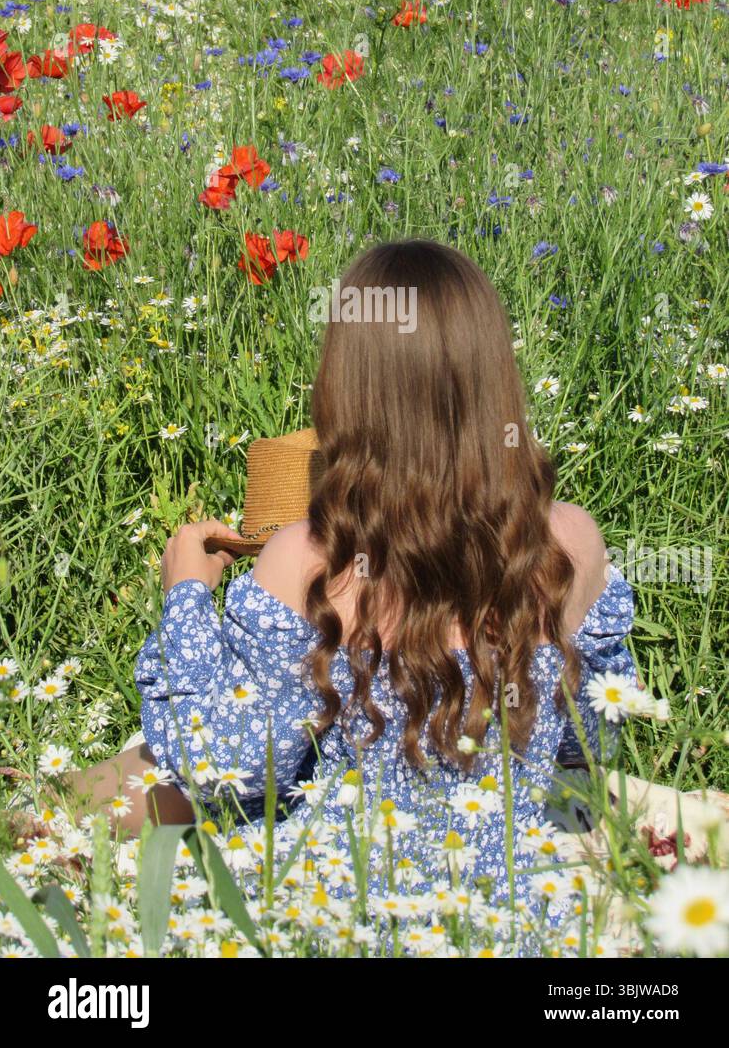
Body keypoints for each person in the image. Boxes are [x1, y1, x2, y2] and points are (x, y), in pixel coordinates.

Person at [64, 238, 636, 909]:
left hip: (350, 899)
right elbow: (589, 732)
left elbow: (230, 768)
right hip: (505, 893)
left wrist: (185, 595)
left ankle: (40, 805)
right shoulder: (568, 541)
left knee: (150, 763)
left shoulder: (309, 556)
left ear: (347, 384)